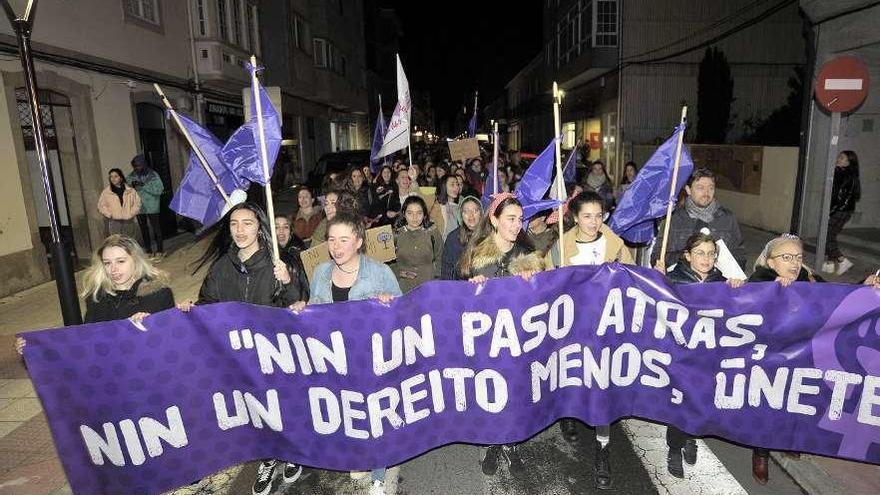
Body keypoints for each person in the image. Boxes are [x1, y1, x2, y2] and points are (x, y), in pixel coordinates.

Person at [185, 202, 305, 495]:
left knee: (281, 406)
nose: (240, 230)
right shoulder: (223, 267)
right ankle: (267, 458)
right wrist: (191, 310)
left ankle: (292, 451)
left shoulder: (280, 262)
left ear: (259, 226)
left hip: (275, 354)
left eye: (247, 223)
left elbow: (300, 304)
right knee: (255, 411)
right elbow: (207, 303)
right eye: (234, 224)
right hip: (239, 358)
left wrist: (288, 282)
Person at [290, 212, 401, 495]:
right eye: (331, 240)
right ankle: (361, 457)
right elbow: (315, 312)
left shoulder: (380, 272)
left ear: (359, 242)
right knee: (351, 414)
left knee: (375, 414)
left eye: (343, 240)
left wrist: (389, 305)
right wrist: (303, 310)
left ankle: (379, 472)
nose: (336, 247)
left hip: (370, 360)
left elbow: (404, 317)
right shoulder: (320, 273)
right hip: (336, 361)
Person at [548, 191, 633, 490]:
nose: (594, 221)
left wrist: (654, 276)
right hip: (573, 328)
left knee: (602, 388)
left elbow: (634, 281)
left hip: (607, 331)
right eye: (587, 216)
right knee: (572, 376)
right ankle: (568, 415)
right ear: (574, 217)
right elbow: (545, 286)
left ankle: (602, 448)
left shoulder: (616, 245)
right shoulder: (561, 245)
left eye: (599, 215)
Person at [457, 193, 547, 477]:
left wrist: (534, 284)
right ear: (494, 220)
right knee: (493, 394)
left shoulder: (529, 255)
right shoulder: (475, 256)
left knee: (516, 393)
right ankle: (495, 441)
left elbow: (548, 296)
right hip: (487, 340)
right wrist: (473, 288)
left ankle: (511, 445)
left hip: (520, 338)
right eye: (510, 218)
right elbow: (455, 303)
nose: (517, 224)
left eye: (520, 219)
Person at [663, 232, 744, 479]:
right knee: (681, 401)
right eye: (700, 253)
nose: (706, 258)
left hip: (710, 356)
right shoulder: (673, 280)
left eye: (711, 253)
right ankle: (674, 448)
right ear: (687, 256)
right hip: (682, 354)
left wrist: (737, 290)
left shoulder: (723, 282)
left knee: (702, 400)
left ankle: (692, 436)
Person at [15, 234, 174, 355]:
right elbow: (86, 340)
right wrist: (34, 347)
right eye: (107, 263)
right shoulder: (98, 298)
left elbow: (172, 340)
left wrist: (149, 324)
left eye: (120, 261)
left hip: (149, 371)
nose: (113, 269)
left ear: (136, 260)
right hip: (113, 373)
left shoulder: (158, 293)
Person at [747, 233, 820, 484]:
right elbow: (743, 308)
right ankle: (761, 453)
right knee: (768, 402)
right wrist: (771, 292)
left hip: (800, 354)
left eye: (798, 257)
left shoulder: (809, 280)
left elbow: (843, 297)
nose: (794, 262)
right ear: (770, 262)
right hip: (768, 358)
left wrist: (868, 284)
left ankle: (789, 439)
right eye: (786, 257)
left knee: (795, 399)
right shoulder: (759, 280)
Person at [653, 168, 744, 269]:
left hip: (717, 281)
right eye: (700, 188)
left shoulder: (727, 218)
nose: (706, 193)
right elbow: (656, 257)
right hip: (681, 280)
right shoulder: (673, 219)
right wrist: (685, 256)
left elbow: (740, 255)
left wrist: (734, 275)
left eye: (711, 188)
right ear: (688, 190)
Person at [823, 150, 861, 275]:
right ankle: (829, 264)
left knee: (826, 236)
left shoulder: (847, 176)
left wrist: (832, 211)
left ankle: (841, 260)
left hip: (841, 210)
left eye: (842, 157)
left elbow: (843, 198)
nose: (838, 158)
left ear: (849, 162)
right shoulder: (843, 173)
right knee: (831, 235)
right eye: (839, 156)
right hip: (842, 210)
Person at [394, 196, 443, 293]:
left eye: (419, 213)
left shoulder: (432, 232)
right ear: (404, 214)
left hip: (428, 285)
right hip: (403, 287)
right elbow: (387, 262)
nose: (414, 217)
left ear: (424, 214)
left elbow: (440, 257)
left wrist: (437, 280)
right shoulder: (396, 234)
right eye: (410, 213)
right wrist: (398, 272)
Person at [127, 154, 165, 258]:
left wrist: (144, 186)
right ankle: (148, 250)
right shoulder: (132, 175)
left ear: (143, 164)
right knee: (143, 229)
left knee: (156, 228)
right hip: (139, 206)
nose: (137, 168)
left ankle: (160, 250)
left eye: (139, 165)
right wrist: (132, 185)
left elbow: (159, 190)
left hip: (152, 206)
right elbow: (127, 188)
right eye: (135, 166)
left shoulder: (153, 175)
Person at [441, 196, 482, 280]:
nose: (471, 215)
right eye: (466, 212)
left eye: (475, 211)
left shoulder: (490, 236)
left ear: (481, 213)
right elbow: (446, 271)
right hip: (460, 288)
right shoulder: (453, 238)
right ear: (461, 215)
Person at [274, 214, 309, 302]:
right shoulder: (264, 254)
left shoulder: (300, 253)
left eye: (286, 227)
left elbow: (305, 287)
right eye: (276, 227)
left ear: (290, 231)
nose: (281, 231)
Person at [98, 168, 141, 238]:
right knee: (117, 242)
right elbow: (101, 206)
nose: (113, 178)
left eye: (115, 176)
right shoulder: (106, 192)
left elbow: (137, 203)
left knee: (129, 241)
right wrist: (110, 214)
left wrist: (131, 213)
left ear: (121, 178)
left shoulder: (130, 191)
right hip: (115, 221)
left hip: (128, 221)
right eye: (111, 176)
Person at [429, 174, 462, 241]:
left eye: (457, 184)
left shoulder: (460, 206)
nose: (456, 187)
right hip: (442, 246)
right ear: (444, 187)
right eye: (452, 185)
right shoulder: (437, 206)